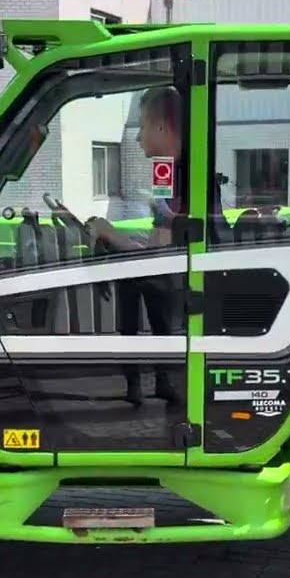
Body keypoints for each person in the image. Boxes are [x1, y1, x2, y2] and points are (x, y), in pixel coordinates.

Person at [57, 85, 186, 407]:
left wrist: (111, 233)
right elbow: (162, 239)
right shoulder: (168, 172)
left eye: (142, 127)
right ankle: (144, 386)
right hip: (161, 274)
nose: (138, 136)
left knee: (154, 326)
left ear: (161, 128)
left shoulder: (182, 177)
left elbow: (161, 256)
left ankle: (153, 385)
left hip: (170, 279)